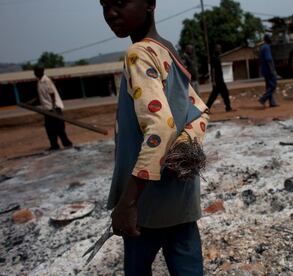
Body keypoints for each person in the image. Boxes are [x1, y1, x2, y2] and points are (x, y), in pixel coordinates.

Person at [100, 0, 209, 275]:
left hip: (145, 204)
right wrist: (182, 153)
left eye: (120, 2)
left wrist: (128, 202)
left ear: (150, 3)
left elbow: (160, 127)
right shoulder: (168, 50)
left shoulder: (138, 53)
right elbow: (200, 113)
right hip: (180, 197)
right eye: (104, 5)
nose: (110, 12)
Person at [33, 66, 73, 150]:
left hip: (54, 108)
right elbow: (40, 95)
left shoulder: (46, 80)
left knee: (59, 128)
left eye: (36, 71)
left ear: (41, 71)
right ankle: (54, 145)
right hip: (47, 109)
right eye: (35, 71)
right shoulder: (39, 81)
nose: (35, 73)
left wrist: (54, 107)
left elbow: (52, 94)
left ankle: (67, 144)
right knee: (50, 129)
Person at [206, 44, 234, 112]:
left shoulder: (217, 57)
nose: (220, 50)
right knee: (217, 95)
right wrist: (213, 81)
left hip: (220, 80)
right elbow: (212, 70)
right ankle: (228, 108)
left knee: (222, 94)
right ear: (215, 49)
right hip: (218, 81)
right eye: (218, 48)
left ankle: (228, 107)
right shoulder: (214, 58)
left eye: (220, 48)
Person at [258, 34, 278, 108]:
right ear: (268, 39)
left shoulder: (263, 47)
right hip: (268, 70)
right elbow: (268, 59)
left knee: (268, 86)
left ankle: (272, 103)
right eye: (270, 38)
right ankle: (263, 99)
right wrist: (272, 70)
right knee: (273, 85)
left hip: (264, 70)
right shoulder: (267, 47)